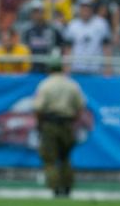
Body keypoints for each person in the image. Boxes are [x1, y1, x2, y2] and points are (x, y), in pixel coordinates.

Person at [33, 60, 86, 198]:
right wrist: (74, 122)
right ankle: (67, 187)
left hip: (50, 123)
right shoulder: (72, 85)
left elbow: (38, 108)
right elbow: (80, 107)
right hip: (68, 123)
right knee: (65, 157)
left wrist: (39, 124)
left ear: (49, 69)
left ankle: (55, 188)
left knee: (50, 158)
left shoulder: (45, 85)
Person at [22, 0, 65, 73]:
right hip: (33, 67)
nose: (37, 14)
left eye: (39, 11)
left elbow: (62, 46)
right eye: (34, 12)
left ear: (44, 12)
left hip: (49, 68)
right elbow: (24, 48)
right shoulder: (27, 30)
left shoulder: (53, 29)